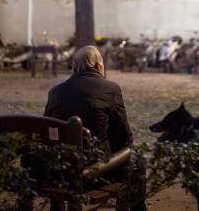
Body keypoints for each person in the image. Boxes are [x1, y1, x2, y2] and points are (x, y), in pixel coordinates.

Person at [44, 45, 147, 211]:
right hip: (96, 173)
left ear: (74, 66)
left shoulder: (56, 92)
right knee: (137, 160)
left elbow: (46, 132)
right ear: (99, 65)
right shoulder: (110, 89)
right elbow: (125, 137)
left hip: (61, 172)